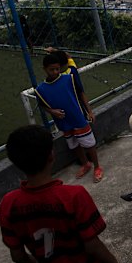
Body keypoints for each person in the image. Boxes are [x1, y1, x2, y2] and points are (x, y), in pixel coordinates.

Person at [0, 125, 125, 263]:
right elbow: (91, 244)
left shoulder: (8, 204)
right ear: (51, 155)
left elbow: (17, 255)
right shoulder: (74, 196)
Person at [35, 54, 104, 182]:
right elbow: (42, 105)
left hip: (77, 117)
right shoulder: (41, 89)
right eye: (52, 69)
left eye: (57, 69)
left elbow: (81, 94)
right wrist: (52, 111)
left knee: (89, 144)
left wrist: (90, 111)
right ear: (44, 69)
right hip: (63, 122)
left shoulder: (69, 79)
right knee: (74, 145)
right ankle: (85, 164)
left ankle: (97, 166)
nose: (55, 72)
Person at [47, 48, 93, 121]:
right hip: (78, 109)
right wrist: (54, 50)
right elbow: (68, 56)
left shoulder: (53, 79)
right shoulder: (72, 70)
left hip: (63, 113)